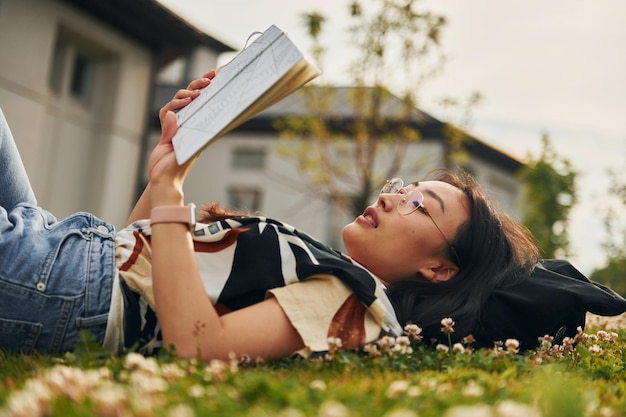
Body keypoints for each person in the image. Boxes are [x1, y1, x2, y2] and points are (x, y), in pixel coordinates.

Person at [1, 71, 624, 361]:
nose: (391, 195)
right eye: (404, 186)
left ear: (438, 268)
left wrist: (170, 197)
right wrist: (176, 162)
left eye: (419, 205)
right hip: (69, 247)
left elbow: (200, 346)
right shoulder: (322, 265)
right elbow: (134, 251)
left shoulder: (352, 300)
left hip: (58, 286)